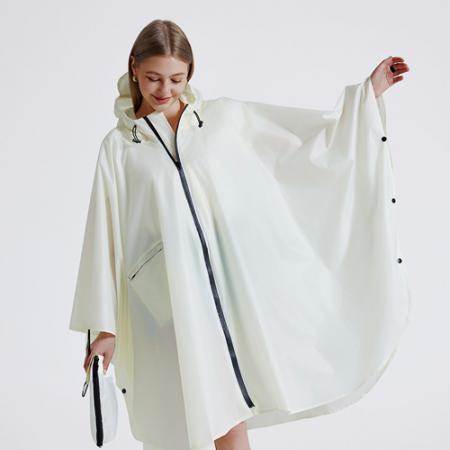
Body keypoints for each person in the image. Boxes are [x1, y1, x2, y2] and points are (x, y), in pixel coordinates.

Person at [69, 19, 411, 450]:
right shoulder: (119, 148)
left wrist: (366, 96)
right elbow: (103, 234)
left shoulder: (222, 120)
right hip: (165, 312)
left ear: (190, 74)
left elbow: (301, 143)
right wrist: (104, 328)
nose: (165, 90)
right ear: (133, 68)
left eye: (176, 79)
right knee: (177, 431)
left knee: (227, 421)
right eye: (154, 77)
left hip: (227, 305)